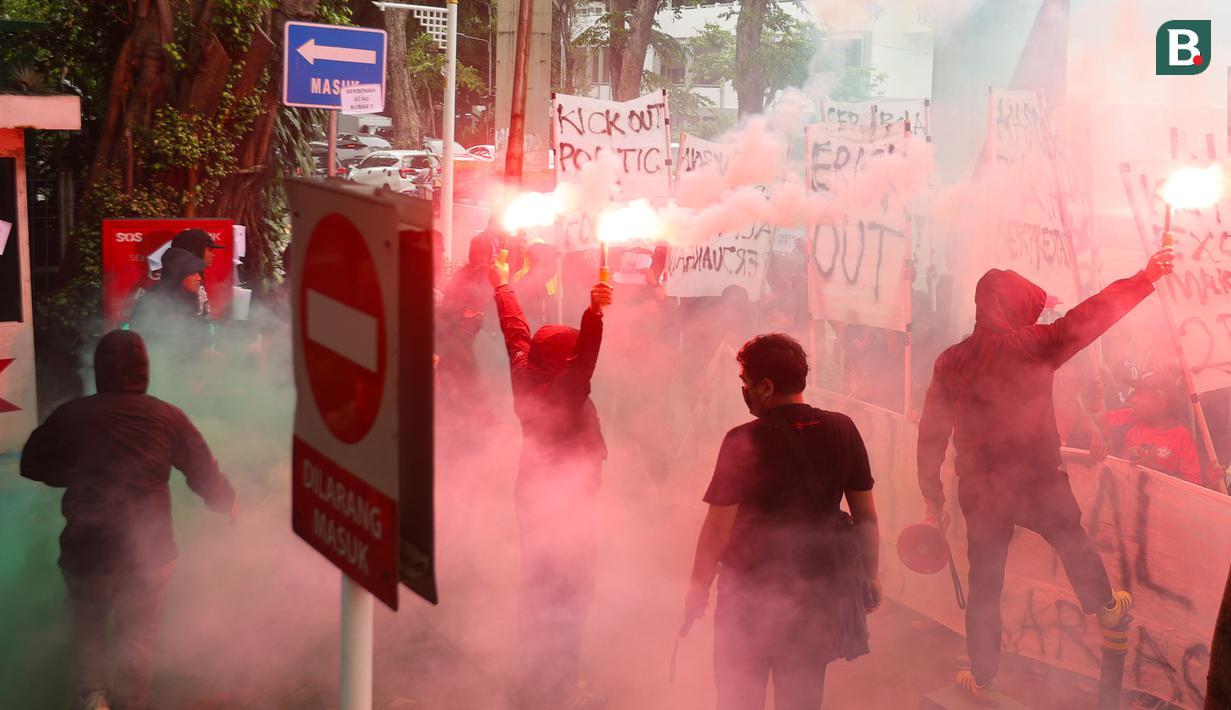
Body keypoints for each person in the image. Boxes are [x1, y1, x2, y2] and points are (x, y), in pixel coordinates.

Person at [916, 247, 1175, 705]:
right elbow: (1089, 315)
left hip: (980, 488)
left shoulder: (951, 360)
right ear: (1013, 306)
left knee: (984, 587)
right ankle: (1105, 609)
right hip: (1037, 479)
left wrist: (931, 490)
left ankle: (985, 679)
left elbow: (931, 430)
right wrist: (1145, 277)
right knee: (1070, 538)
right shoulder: (1032, 345)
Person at [20, 330, 237, 710]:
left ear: (100, 369)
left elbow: (32, 464)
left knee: (88, 630)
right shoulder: (168, 416)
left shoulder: (72, 414)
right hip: (150, 556)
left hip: (86, 551)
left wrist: (76, 474)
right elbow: (204, 473)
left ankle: (92, 697)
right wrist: (228, 505)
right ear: (144, 369)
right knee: (137, 639)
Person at [684, 333, 882, 710]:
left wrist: (697, 588)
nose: (745, 391)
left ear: (767, 386)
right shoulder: (843, 429)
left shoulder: (743, 440)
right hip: (815, 595)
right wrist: (870, 577)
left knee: (738, 697)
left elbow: (717, 530)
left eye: (746, 383)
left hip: (748, 597)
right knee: (802, 698)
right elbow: (866, 517)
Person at [490, 255, 613, 709]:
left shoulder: (526, 371)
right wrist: (594, 315)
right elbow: (587, 362)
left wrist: (502, 286)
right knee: (570, 592)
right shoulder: (564, 391)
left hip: (532, 493)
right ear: (564, 362)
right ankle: (557, 687)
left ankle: (536, 677)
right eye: (572, 350)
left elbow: (515, 332)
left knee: (538, 585)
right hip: (568, 505)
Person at [1088, 370, 1202, 486]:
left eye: (1140, 394)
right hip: (1126, 498)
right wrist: (1096, 435)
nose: (1132, 400)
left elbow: (1194, 487)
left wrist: (1157, 469)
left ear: (1160, 403)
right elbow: (1086, 420)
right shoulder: (1131, 417)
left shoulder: (1182, 437)